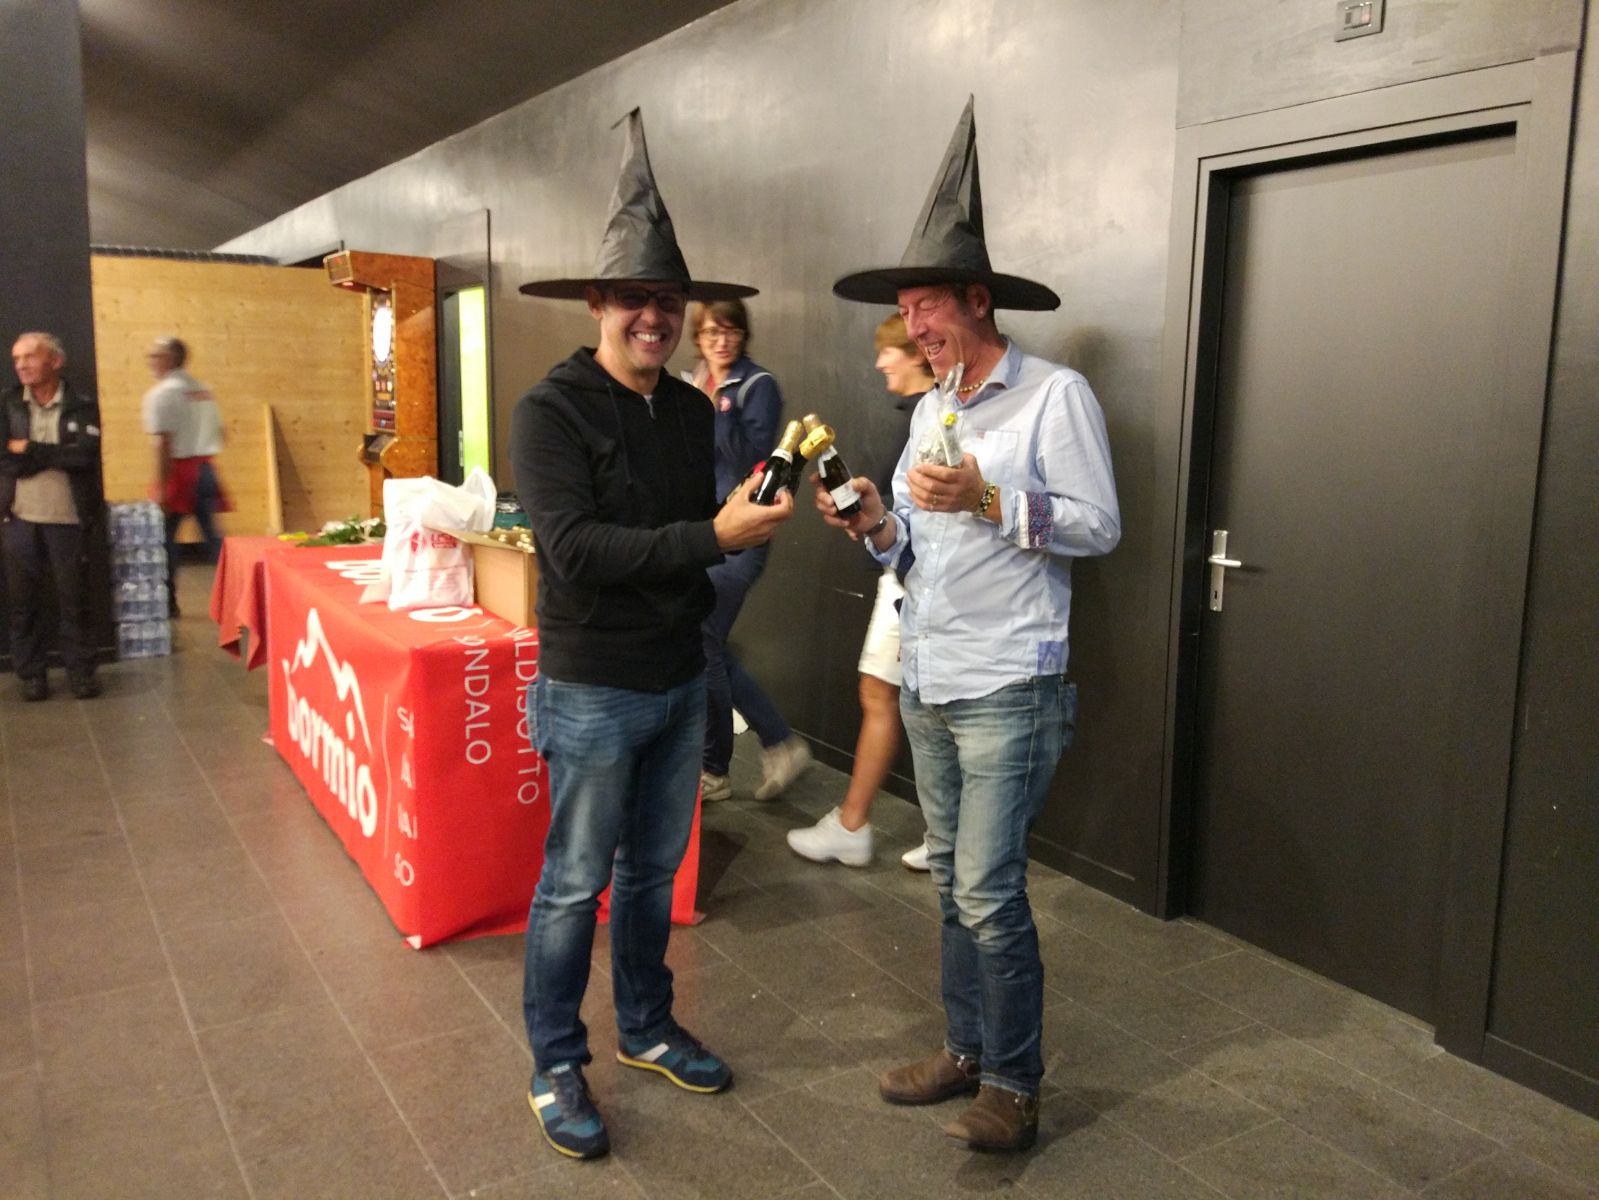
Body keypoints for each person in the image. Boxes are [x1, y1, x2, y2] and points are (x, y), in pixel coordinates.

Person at [821, 97, 1121, 1152]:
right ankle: (963, 1050)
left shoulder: (1055, 398)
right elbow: (912, 543)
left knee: (990, 891)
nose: (914, 328)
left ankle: (1015, 1085)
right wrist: (873, 520)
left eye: (926, 307)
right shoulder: (930, 407)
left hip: (1008, 685)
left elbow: (1099, 526)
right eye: (906, 312)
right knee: (952, 883)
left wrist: (991, 499)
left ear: (978, 302)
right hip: (928, 677)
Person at [511, 109, 791, 1161]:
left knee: (648, 874)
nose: (653, 317)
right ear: (597, 303)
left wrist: (748, 511)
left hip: (679, 678)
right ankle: (554, 1061)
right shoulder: (551, 411)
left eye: (667, 301)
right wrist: (713, 535)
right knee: (572, 883)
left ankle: (645, 1027)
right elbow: (575, 550)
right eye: (633, 298)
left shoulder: (685, 409)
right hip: (593, 686)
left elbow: (688, 534)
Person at [786, 314, 932, 867]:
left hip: (915, 581)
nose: (879, 362)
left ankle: (859, 825)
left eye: (889, 350)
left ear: (916, 351)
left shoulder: (929, 416)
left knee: (895, 698)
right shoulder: (917, 414)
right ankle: (921, 829)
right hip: (904, 574)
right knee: (897, 698)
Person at [688, 298, 812, 802]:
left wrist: (714, 405)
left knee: (705, 641)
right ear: (697, 337)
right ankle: (778, 743)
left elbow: (755, 461)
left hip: (744, 532)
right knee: (708, 644)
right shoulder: (694, 381)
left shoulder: (756, 386)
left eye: (730, 331)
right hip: (702, 528)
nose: (721, 341)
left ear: (742, 335)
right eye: (711, 332)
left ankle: (716, 769)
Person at [2, 333, 104, 701]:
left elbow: (84, 456)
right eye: (17, 358)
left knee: (75, 602)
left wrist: (30, 449)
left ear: (55, 361)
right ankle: (31, 676)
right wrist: (54, 454)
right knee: (23, 604)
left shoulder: (81, 405)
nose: (22, 365)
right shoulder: (9, 403)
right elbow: (5, 457)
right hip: (20, 519)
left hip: (69, 520)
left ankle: (82, 674)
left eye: (30, 356)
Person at [142, 336, 228, 617]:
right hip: (205, 468)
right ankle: (238, 600)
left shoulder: (161, 395)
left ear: (169, 359)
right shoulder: (203, 390)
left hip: (178, 471)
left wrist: (163, 485)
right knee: (213, 539)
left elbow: (163, 444)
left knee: (164, 539)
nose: (150, 362)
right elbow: (221, 433)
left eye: (155, 356)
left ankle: (168, 603)